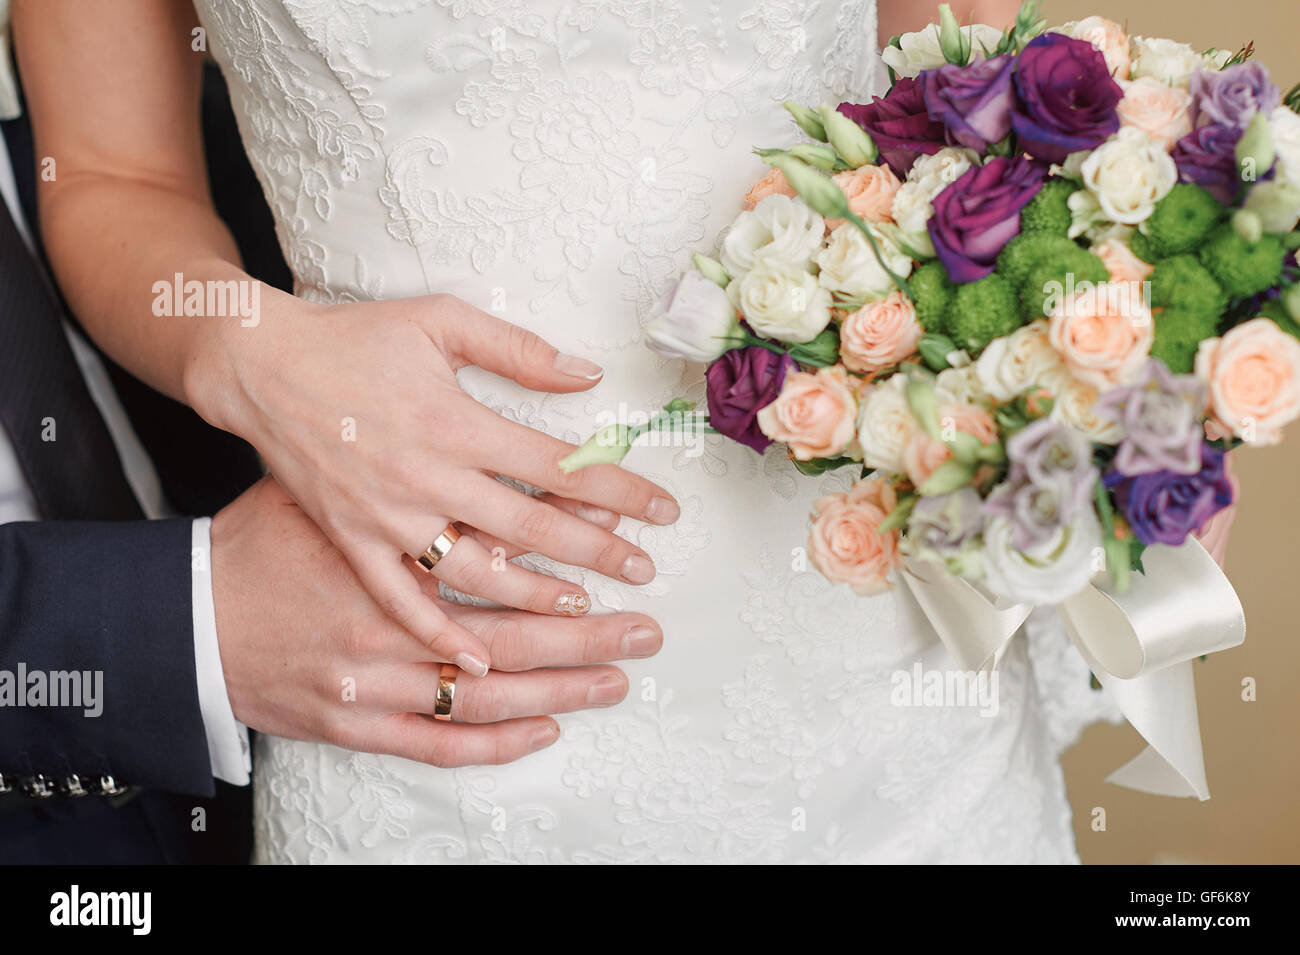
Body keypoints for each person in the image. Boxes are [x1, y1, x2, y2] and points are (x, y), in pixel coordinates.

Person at [13, 0, 1127, 863]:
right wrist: (254, 353)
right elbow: (112, 174)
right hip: (441, 656)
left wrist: (1089, 364)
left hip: (878, 622)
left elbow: (963, 77)